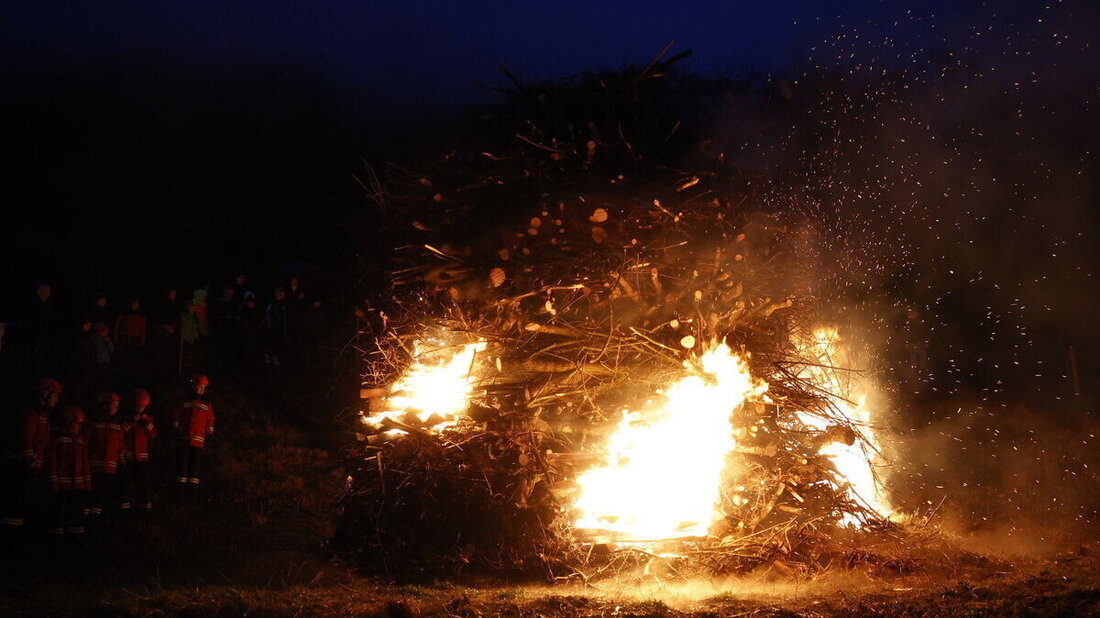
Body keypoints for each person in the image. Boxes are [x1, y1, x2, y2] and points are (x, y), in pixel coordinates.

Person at [1, 378, 61, 546]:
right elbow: (26, 438)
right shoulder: (31, 413)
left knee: (23, 504)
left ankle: (16, 538)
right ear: (45, 394)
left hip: (31, 466)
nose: (57, 399)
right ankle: (9, 540)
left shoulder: (43, 415)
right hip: (21, 466)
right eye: (55, 395)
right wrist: (30, 461)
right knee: (15, 503)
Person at [45, 406, 92, 545]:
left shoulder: (81, 441)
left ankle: (76, 536)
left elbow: (85, 464)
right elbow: (52, 463)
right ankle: (56, 537)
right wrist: (54, 483)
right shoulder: (57, 441)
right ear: (68, 423)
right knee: (60, 510)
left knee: (77, 511)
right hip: (62, 486)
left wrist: (87, 484)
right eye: (77, 424)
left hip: (78, 486)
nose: (79, 427)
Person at [86, 392, 128, 528]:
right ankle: (90, 524)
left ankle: (104, 524)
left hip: (111, 469)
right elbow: (85, 445)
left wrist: (121, 463)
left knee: (106, 496)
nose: (116, 408)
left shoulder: (117, 426)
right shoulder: (92, 425)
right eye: (114, 405)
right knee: (93, 498)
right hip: (94, 469)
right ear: (104, 406)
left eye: (117, 405)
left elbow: (120, 446)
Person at [173, 374, 214, 504]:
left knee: (194, 470)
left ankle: (191, 499)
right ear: (193, 386)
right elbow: (176, 416)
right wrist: (177, 430)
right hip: (184, 439)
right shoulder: (184, 401)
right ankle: (179, 497)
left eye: (204, 387)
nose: (202, 389)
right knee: (182, 467)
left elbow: (210, 420)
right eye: (200, 386)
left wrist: (209, 434)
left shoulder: (206, 404)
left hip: (198, 441)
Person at [122, 388, 156, 514]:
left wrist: (146, 422)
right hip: (128, 458)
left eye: (142, 407)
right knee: (125, 485)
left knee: (144, 485)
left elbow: (152, 434)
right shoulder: (126, 418)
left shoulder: (148, 419)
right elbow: (121, 433)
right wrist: (132, 421)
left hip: (142, 458)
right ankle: (124, 511)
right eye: (138, 406)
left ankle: (145, 510)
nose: (140, 409)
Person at [264, 287, 289, 366]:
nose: (282, 295)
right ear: (276, 294)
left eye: (283, 294)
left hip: (280, 327)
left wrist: (284, 328)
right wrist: (269, 326)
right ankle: (267, 356)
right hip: (272, 327)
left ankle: (274, 357)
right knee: (270, 342)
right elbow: (268, 314)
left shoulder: (284, 303)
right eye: (280, 293)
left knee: (277, 343)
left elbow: (285, 317)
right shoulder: (272, 302)